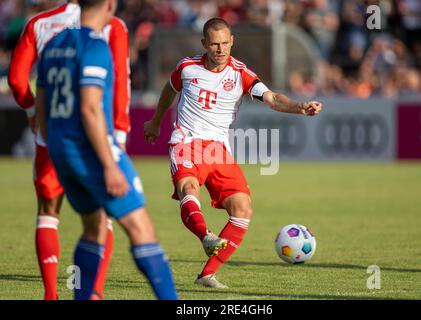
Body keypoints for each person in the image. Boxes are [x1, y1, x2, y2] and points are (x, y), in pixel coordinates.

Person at [143, 17, 322, 289]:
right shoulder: (187, 67)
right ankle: (206, 236)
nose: (220, 49)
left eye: (225, 42)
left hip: (218, 151)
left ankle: (207, 275)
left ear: (232, 42)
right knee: (188, 189)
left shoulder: (240, 73)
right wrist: (156, 121)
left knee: (243, 208)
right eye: (214, 43)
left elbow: (272, 98)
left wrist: (299, 107)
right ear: (204, 43)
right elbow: (170, 88)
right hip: (187, 141)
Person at [35, 0, 178, 300]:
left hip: (61, 150)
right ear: (110, 5)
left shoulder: (54, 44)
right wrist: (109, 164)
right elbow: (90, 109)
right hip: (92, 151)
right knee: (141, 229)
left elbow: (41, 108)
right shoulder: (96, 47)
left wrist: (59, 150)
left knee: (93, 229)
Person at [8, 0, 130, 300]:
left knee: (48, 212)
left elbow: (16, 78)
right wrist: (120, 131)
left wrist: (31, 110)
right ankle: (95, 292)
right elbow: (120, 81)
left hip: (54, 130)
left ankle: (51, 293)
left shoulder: (40, 24)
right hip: (97, 133)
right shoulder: (112, 25)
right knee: (103, 216)